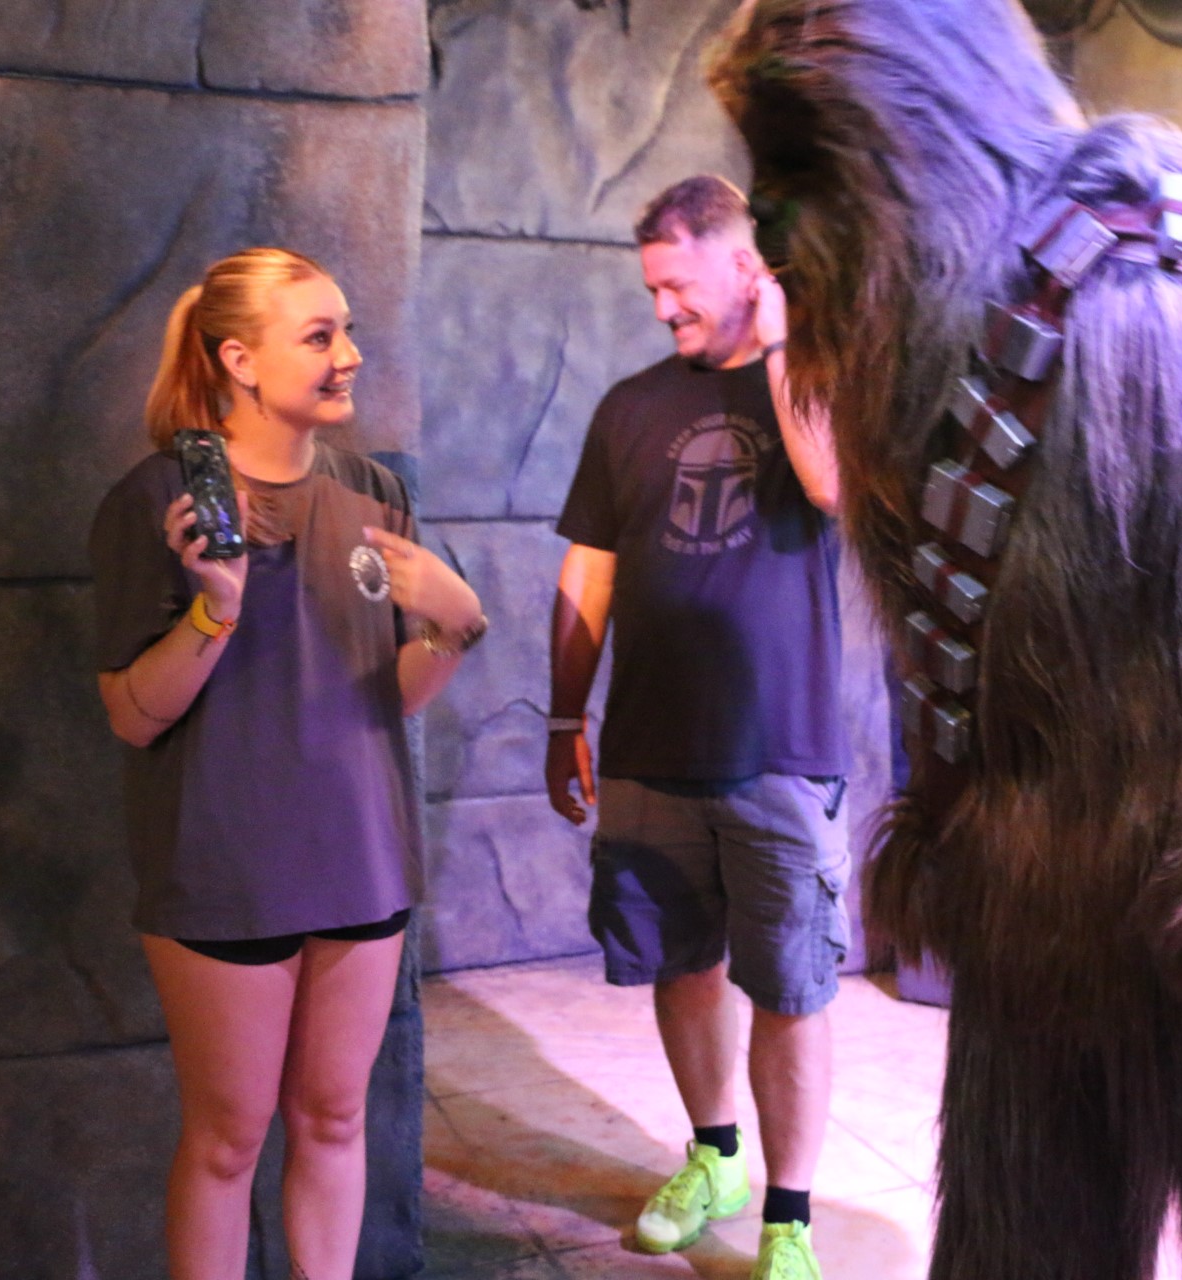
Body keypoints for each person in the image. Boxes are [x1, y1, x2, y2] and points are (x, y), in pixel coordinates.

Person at [711, 5, 1182, 1280]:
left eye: (796, 167)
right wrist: (947, 835)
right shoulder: (954, 349)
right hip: (1033, 915)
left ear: (903, 139)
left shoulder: (1160, 294)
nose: (766, 226)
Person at [88, 247, 486, 1280]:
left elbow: (385, 698)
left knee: (336, 1118)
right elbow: (132, 715)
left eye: (347, 330)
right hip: (224, 872)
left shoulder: (373, 492)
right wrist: (214, 609)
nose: (349, 354)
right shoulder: (160, 500)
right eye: (319, 336)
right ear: (239, 359)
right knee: (227, 1141)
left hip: (360, 861)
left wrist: (453, 628)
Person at [545, 175, 848, 1280]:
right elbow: (587, 572)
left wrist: (783, 340)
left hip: (781, 747)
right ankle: (714, 1154)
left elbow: (831, 487)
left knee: (790, 986)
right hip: (650, 744)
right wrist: (565, 714)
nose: (663, 307)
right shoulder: (629, 407)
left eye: (678, 285)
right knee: (681, 962)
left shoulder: (812, 386)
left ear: (745, 266)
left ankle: (789, 1217)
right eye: (652, 290)